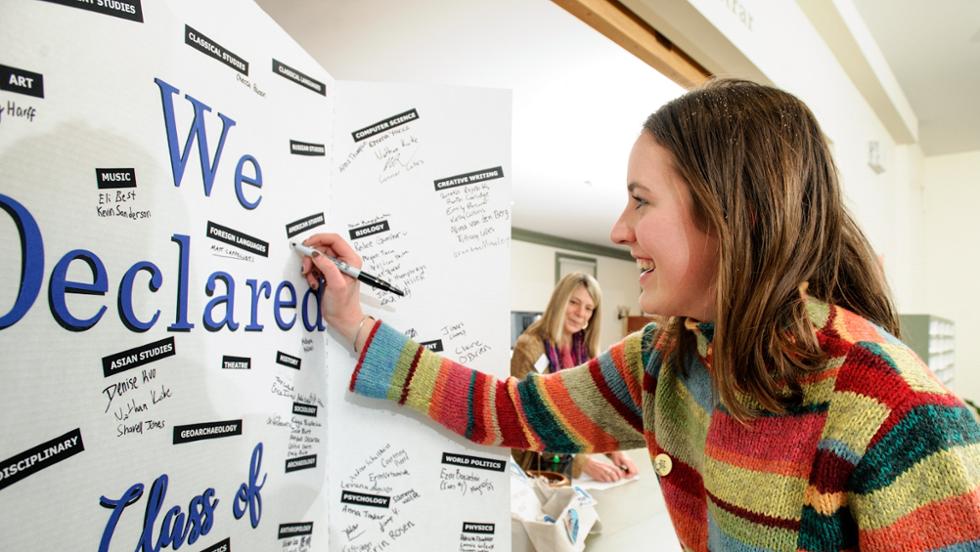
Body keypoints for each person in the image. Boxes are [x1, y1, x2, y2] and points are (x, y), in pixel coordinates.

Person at [303, 79, 980, 550]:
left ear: (732, 214)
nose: (618, 229)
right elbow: (505, 411)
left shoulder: (895, 410)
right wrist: (356, 323)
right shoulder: (662, 363)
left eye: (641, 201)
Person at [509, 272, 639, 482]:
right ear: (560, 302)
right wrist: (582, 463)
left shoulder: (586, 349)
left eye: (589, 308)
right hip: (536, 463)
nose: (581, 313)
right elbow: (530, 418)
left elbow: (594, 411)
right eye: (574, 302)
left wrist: (614, 448)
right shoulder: (530, 346)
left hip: (575, 453)